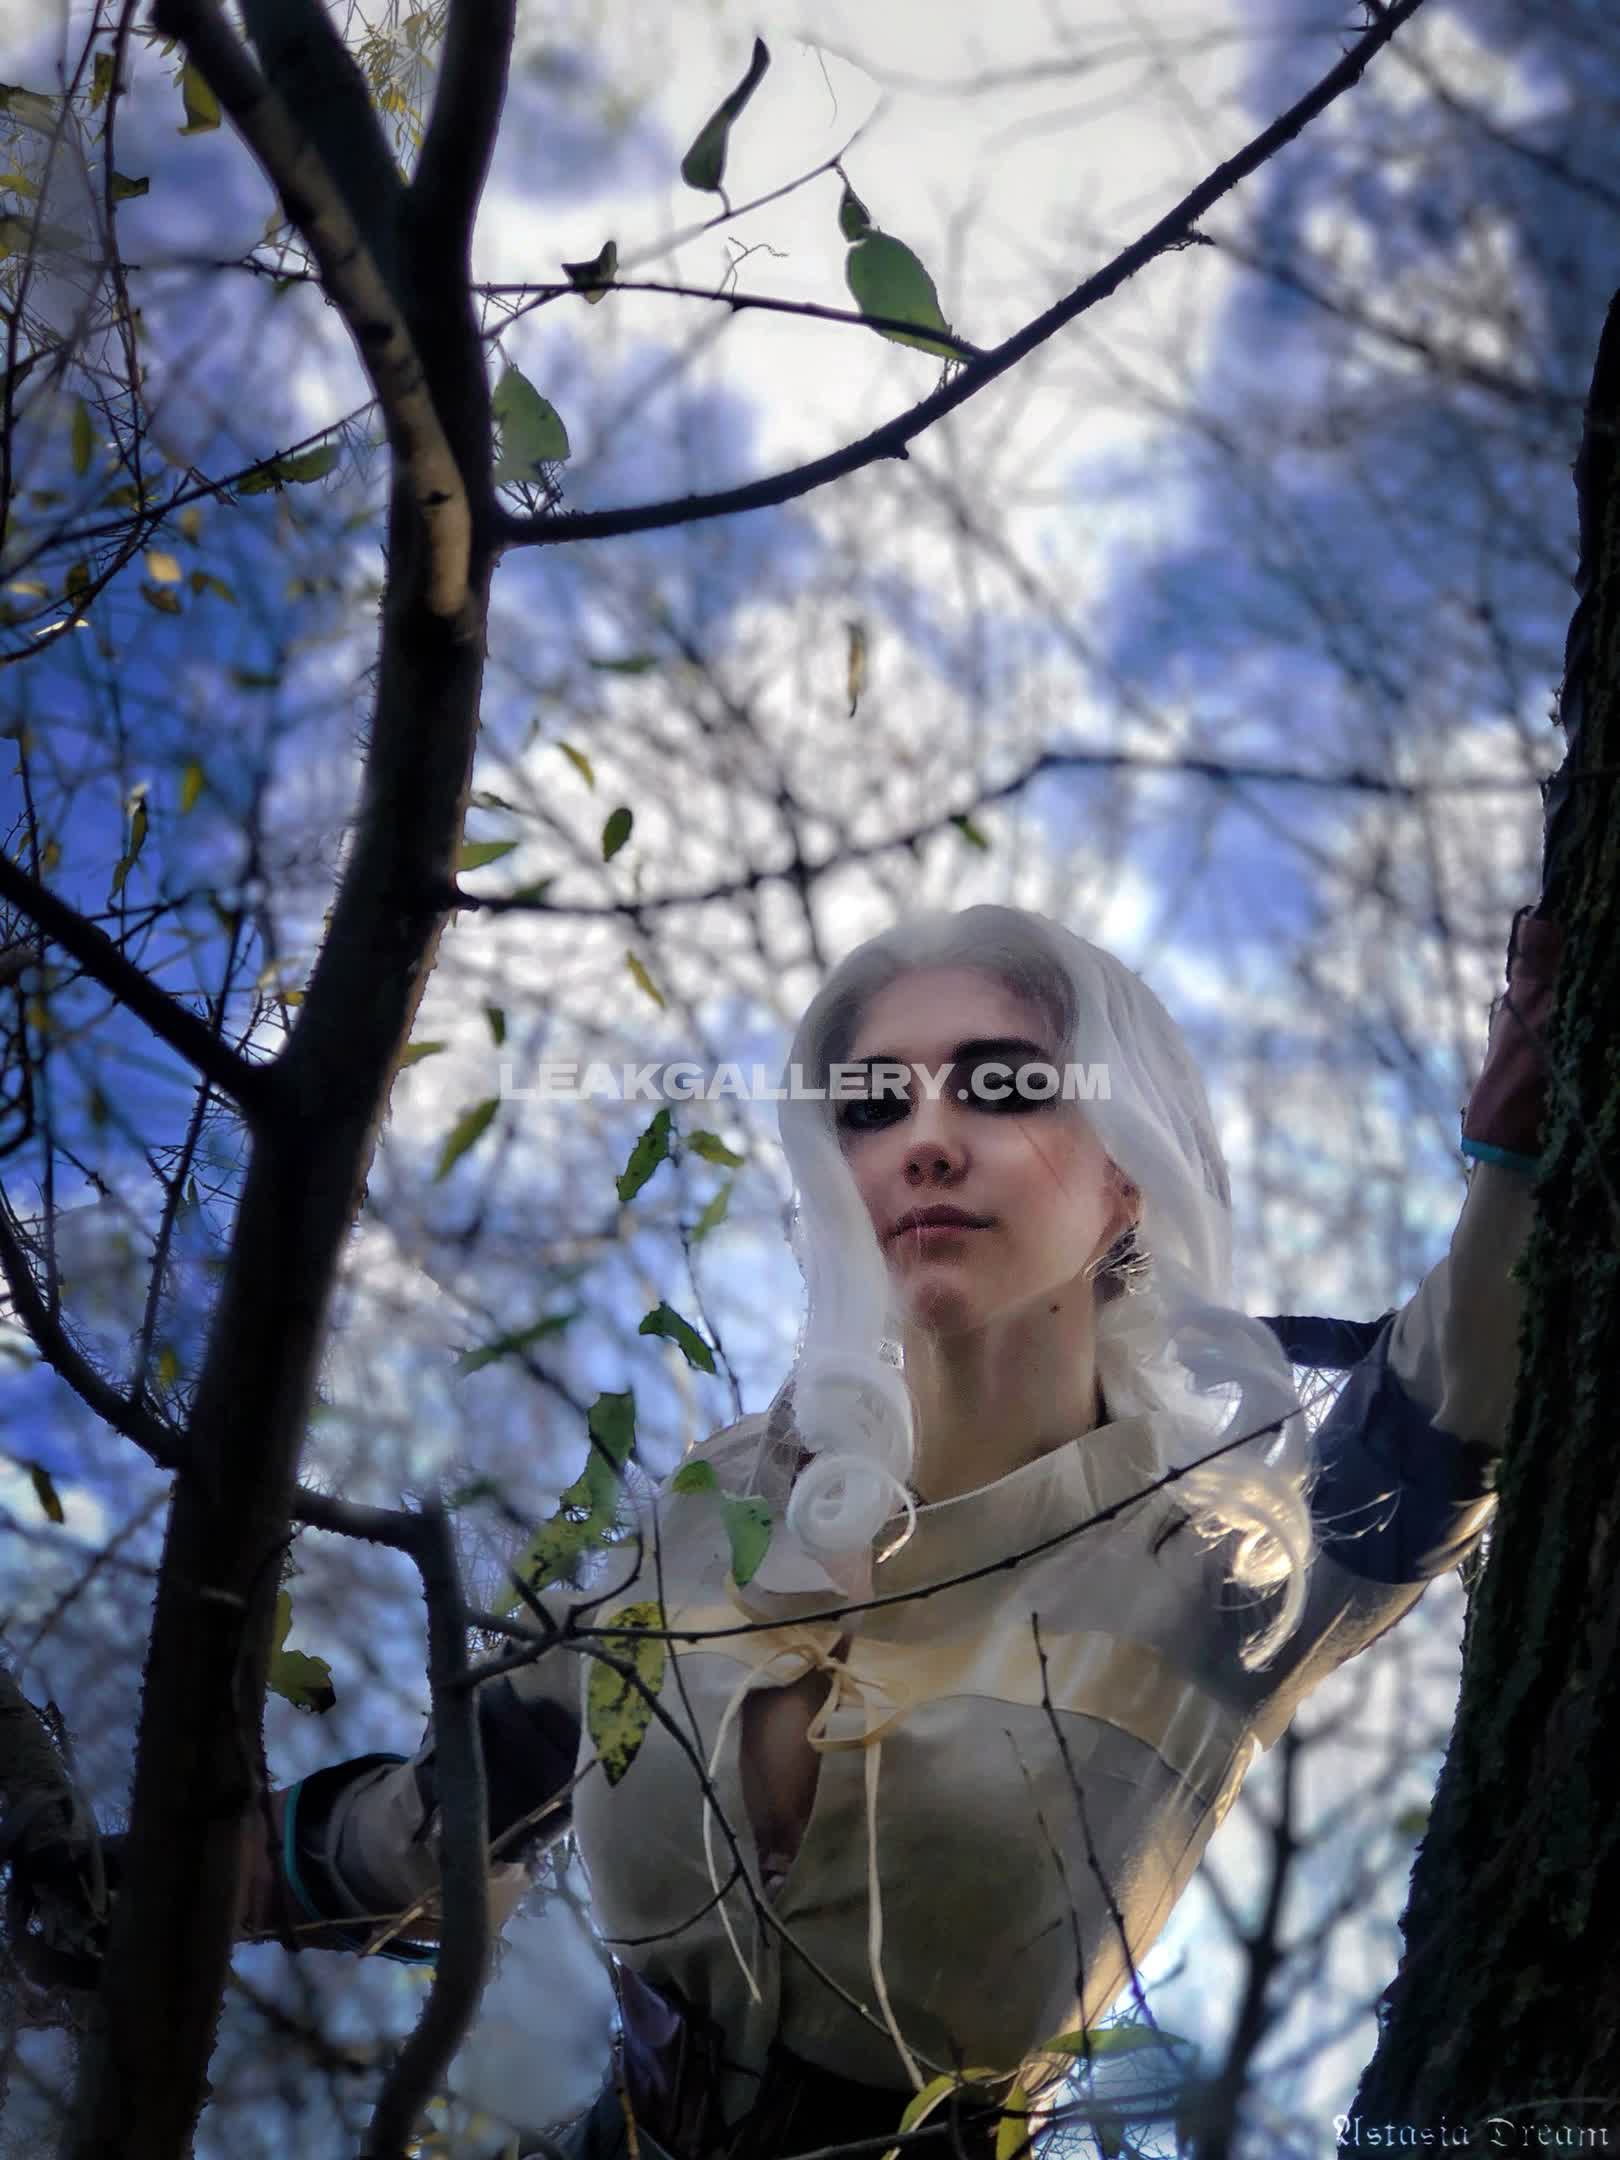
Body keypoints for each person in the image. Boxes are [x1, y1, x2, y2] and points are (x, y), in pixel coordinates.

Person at [235, 893, 1561, 2160]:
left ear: (1126, 1173)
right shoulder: (712, 1512)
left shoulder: (1216, 1574)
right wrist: (161, 1886)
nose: (927, 1136)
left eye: (1004, 1086)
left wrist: (1517, 1150)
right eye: (873, 1107)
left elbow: (1450, 1413)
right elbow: (437, 1822)